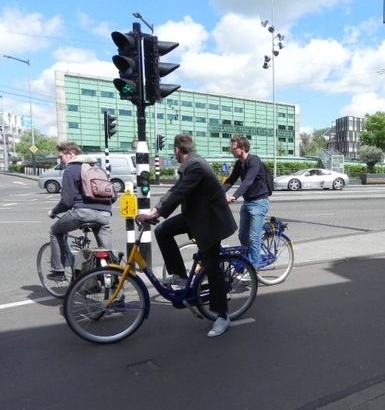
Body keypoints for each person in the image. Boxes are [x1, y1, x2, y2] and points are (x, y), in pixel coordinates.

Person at [137, 134, 237, 338]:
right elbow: (175, 189)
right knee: (162, 230)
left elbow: (179, 193)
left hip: (210, 222)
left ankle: (222, 316)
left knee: (212, 267)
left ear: (176, 150)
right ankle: (180, 275)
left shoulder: (196, 166)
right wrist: (156, 210)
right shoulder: (191, 165)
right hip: (196, 216)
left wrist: (155, 213)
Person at [47, 142, 116, 281]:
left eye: (61, 157)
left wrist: (54, 212)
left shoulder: (71, 170)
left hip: (82, 214)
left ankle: (58, 271)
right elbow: (113, 196)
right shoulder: (98, 169)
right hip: (104, 215)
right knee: (107, 253)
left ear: (71, 154)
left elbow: (67, 202)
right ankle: (117, 291)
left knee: (55, 231)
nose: (60, 160)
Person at [223, 136, 270, 271]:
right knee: (242, 235)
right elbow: (231, 180)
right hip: (248, 203)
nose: (231, 151)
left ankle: (252, 270)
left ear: (242, 149)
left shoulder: (254, 161)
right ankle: (247, 262)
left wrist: (234, 196)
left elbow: (248, 181)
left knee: (254, 237)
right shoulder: (239, 163)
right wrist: (217, 194)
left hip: (259, 202)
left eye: (233, 149)